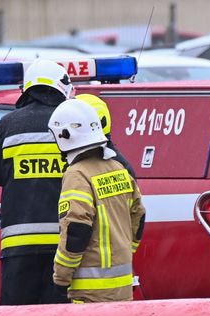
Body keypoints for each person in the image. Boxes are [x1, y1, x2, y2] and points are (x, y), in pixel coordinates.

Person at [0, 59, 72, 305]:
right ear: (61, 88)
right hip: (62, 243)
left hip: (18, 245)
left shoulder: (8, 125)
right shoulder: (69, 124)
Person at [48, 98, 145, 303]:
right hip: (122, 288)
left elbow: (76, 231)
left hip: (90, 294)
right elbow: (139, 216)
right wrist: (124, 251)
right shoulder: (118, 168)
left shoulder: (77, 174)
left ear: (64, 136)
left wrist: (60, 279)